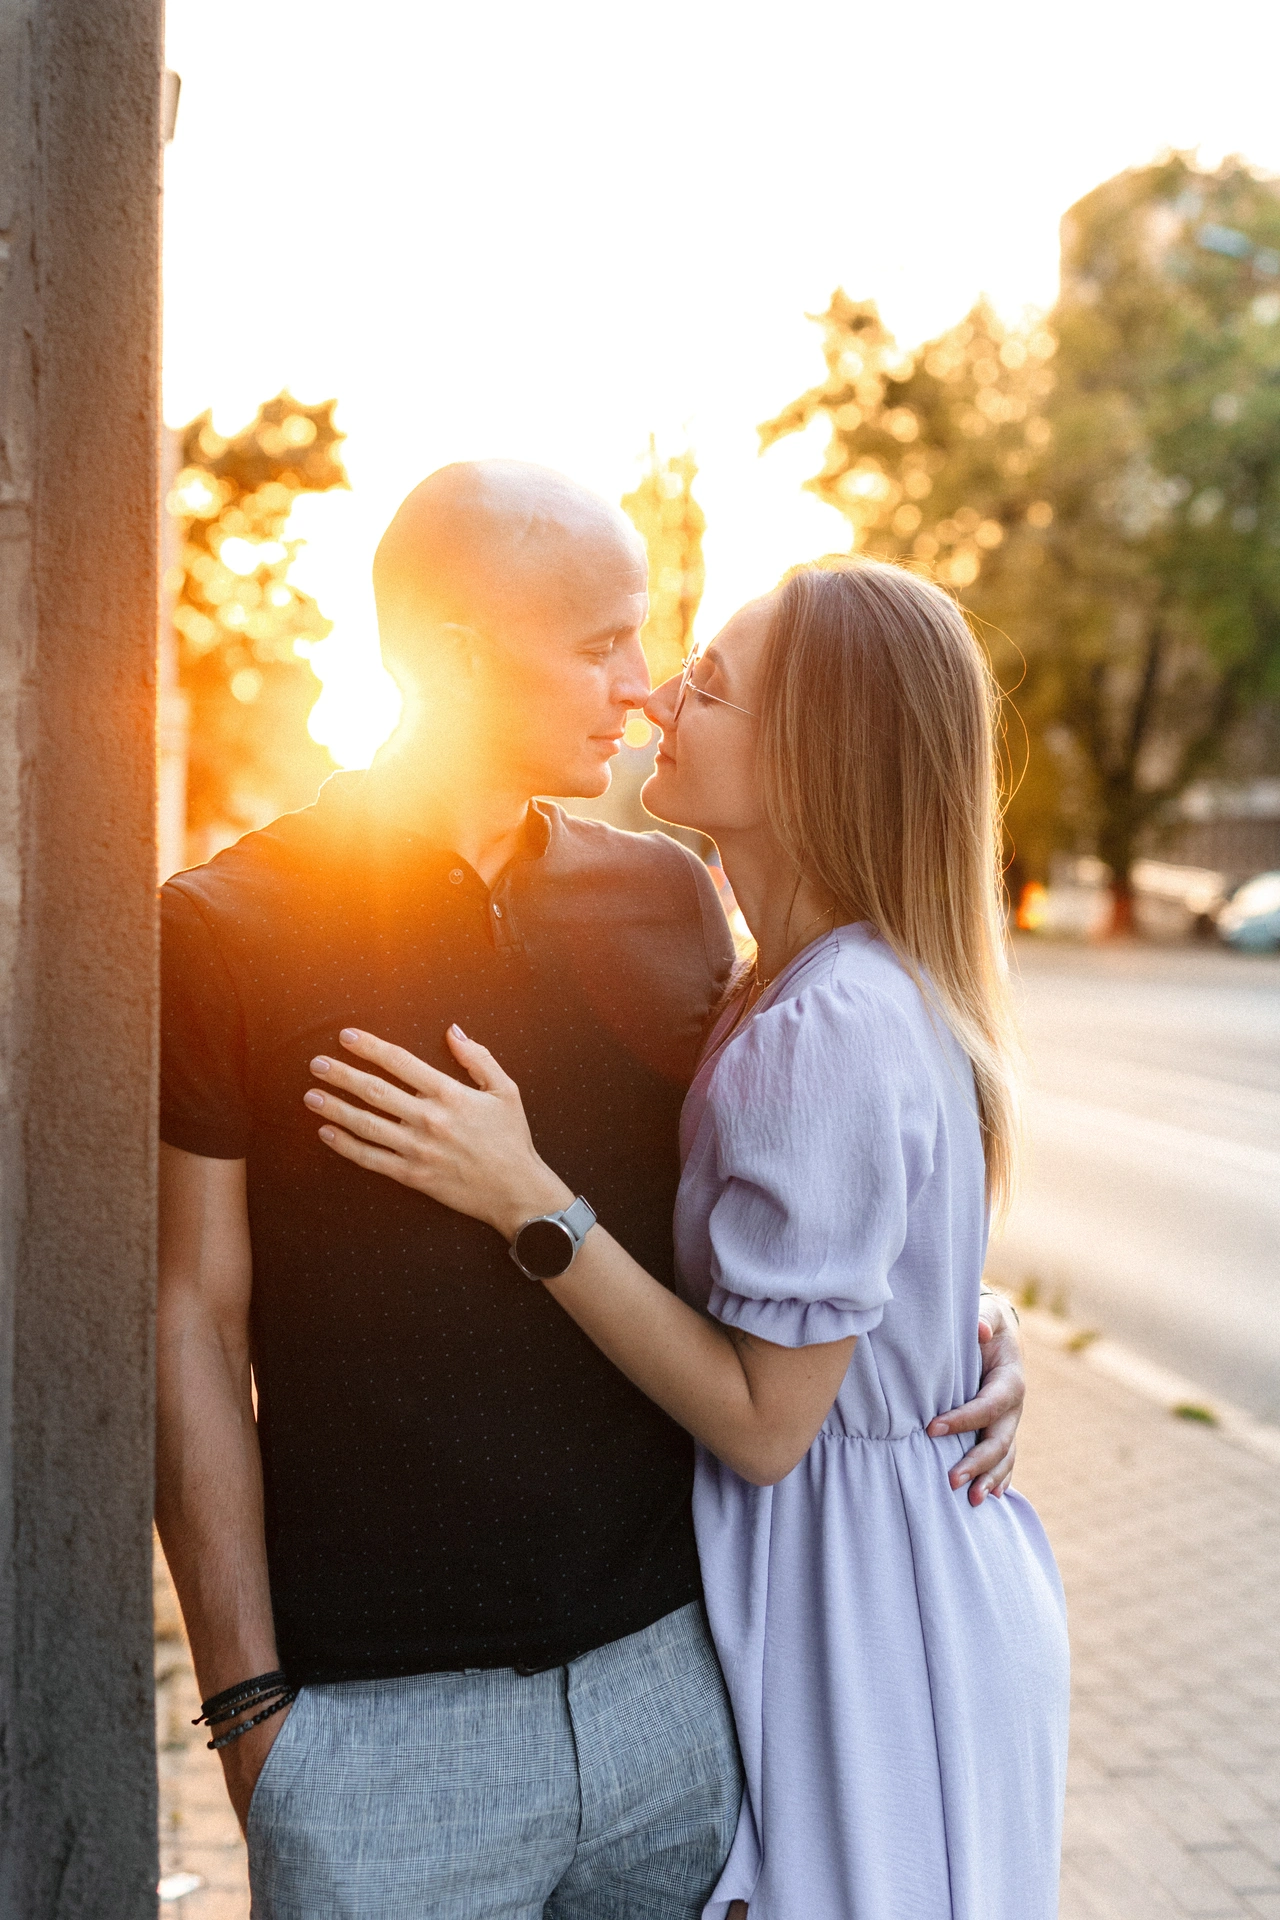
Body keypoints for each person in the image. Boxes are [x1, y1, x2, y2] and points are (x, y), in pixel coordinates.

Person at [156, 464, 1029, 1918]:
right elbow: (193, 1317)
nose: (640, 692)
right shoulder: (224, 929)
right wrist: (251, 1711)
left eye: (658, 650)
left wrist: (960, 1325)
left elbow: (796, 1202)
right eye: (602, 642)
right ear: (452, 650)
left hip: (682, 1696)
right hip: (382, 1734)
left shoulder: (671, 899)